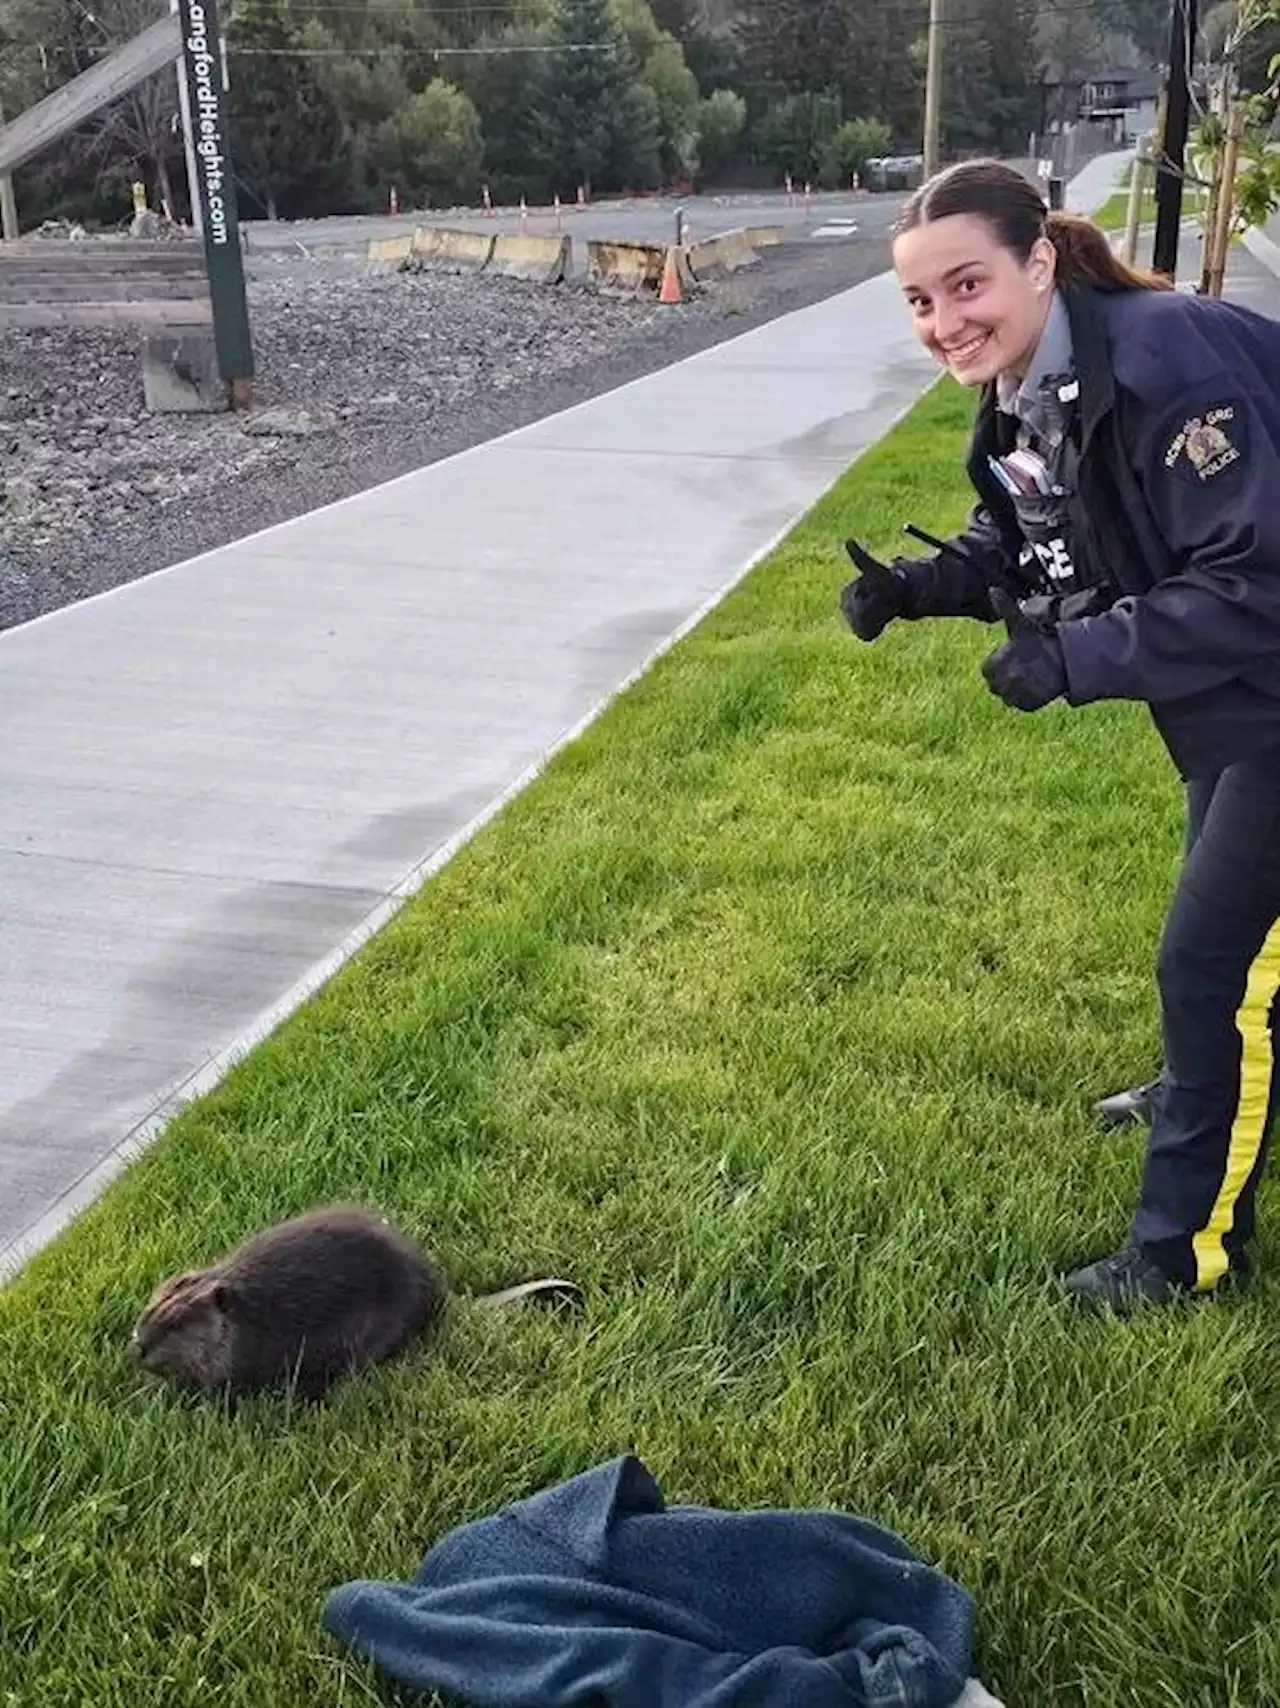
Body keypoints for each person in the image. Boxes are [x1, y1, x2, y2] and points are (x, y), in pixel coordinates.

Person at [841, 158, 1280, 1314]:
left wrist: (1072, 659)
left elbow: (1254, 585)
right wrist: (920, 587)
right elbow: (1041, 531)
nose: (943, 322)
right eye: (919, 301)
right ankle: (1206, 1075)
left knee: (1210, 962)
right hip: (1247, 688)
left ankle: (1183, 1255)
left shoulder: (1165, 364)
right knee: (1224, 941)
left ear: (1038, 261)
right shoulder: (1034, 379)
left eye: (966, 284)